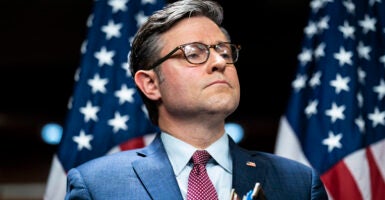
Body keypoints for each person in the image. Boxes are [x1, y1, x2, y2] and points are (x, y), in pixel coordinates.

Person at [65, 0, 328, 199]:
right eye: (193, 52)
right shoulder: (97, 185)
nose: (218, 62)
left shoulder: (299, 183)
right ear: (150, 84)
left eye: (224, 51)